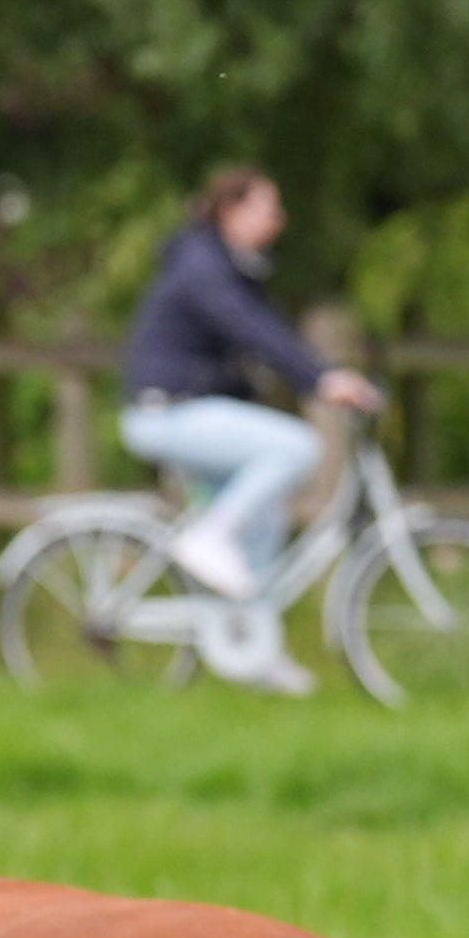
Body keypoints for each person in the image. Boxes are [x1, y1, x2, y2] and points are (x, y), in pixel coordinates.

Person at [116, 167, 383, 699]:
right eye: (268, 208)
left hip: (187, 409)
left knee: (264, 521)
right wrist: (321, 379)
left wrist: (318, 374)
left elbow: (265, 334)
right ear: (230, 211)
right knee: (297, 446)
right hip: (166, 414)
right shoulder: (204, 267)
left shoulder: (230, 265)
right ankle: (209, 537)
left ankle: (256, 650)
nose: (278, 220)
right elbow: (254, 331)